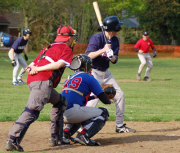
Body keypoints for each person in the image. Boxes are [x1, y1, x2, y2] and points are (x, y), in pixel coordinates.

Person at [5, 25, 77, 152]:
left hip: (35, 81)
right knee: (33, 110)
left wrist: (31, 68)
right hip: (42, 81)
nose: (73, 40)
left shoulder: (48, 47)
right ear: (68, 38)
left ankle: (56, 137)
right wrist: (37, 69)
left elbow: (33, 63)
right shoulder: (66, 48)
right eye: (72, 37)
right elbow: (58, 64)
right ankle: (12, 140)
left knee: (61, 102)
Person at [85, 16, 136, 133]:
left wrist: (111, 56)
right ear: (114, 28)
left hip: (106, 73)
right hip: (93, 72)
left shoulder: (115, 40)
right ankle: (83, 126)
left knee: (120, 95)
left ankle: (120, 126)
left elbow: (114, 60)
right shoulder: (96, 38)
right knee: (93, 99)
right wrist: (102, 50)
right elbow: (88, 56)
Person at [58, 54, 111, 146]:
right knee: (103, 112)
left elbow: (77, 96)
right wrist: (109, 99)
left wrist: (94, 97)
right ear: (85, 66)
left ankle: (66, 132)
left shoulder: (70, 77)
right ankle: (84, 135)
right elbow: (105, 100)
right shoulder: (88, 77)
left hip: (58, 114)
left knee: (79, 110)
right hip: (72, 113)